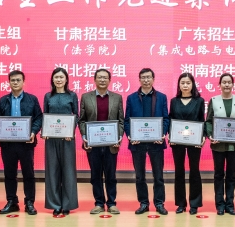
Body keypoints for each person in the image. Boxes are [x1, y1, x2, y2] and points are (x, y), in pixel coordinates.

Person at [0, 70, 43, 215]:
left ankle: (29, 202)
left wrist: (33, 132)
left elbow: (38, 118)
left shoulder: (32, 99)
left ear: (23, 82)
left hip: (26, 143)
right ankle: (12, 201)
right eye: (12, 80)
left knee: (28, 173)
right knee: (9, 174)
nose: (15, 82)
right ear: (9, 82)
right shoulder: (3, 100)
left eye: (18, 80)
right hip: (8, 144)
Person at [124, 68, 170, 215]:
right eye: (143, 77)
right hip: (137, 143)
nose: (146, 80)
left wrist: (162, 133)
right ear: (139, 79)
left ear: (153, 79)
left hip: (156, 143)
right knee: (139, 176)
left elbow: (166, 118)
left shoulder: (162, 97)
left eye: (148, 77)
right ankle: (143, 203)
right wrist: (130, 135)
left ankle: (159, 203)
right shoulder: (131, 98)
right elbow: (126, 120)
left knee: (158, 176)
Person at [79, 68, 124, 215]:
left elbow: (121, 121)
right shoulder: (86, 97)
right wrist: (85, 136)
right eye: (99, 77)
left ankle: (111, 203)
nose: (102, 80)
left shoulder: (117, 98)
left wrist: (119, 137)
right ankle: (99, 203)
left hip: (111, 144)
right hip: (93, 144)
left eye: (105, 77)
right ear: (94, 79)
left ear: (110, 80)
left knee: (111, 175)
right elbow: (82, 120)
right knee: (95, 175)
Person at [205, 73, 235, 216]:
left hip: (234, 145)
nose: (227, 85)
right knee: (218, 174)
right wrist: (211, 135)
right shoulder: (214, 100)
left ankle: (230, 204)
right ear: (219, 85)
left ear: (233, 84)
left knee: (231, 175)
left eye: (229, 82)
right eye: (224, 82)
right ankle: (220, 205)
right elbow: (208, 121)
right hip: (218, 144)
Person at [42, 68, 79, 216]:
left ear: (66, 79)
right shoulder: (48, 96)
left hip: (67, 139)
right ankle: (55, 204)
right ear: (52, 79)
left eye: (61, 77)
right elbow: (45, 115)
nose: (58, 80)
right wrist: (45, 131)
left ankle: (68, 204)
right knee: (52, 171)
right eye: (56, 77)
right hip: (51, 140)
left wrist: (71, 131)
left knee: (68, 171)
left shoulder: (72, 95)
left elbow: (76, 115)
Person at [169, 72, 206, 215]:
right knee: (179, 171)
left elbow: (201, 120)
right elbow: (171, 119)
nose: (185, 85)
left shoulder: (199, 101)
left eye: (188, 83)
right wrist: (170, 135)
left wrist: (202, 137)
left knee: (194, 170)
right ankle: (181, 203)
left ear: (193, 85)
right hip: (177, 141)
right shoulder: (174, 101)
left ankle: (194, 204)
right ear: (179, 85)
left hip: (194, 141)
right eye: (183, 83)